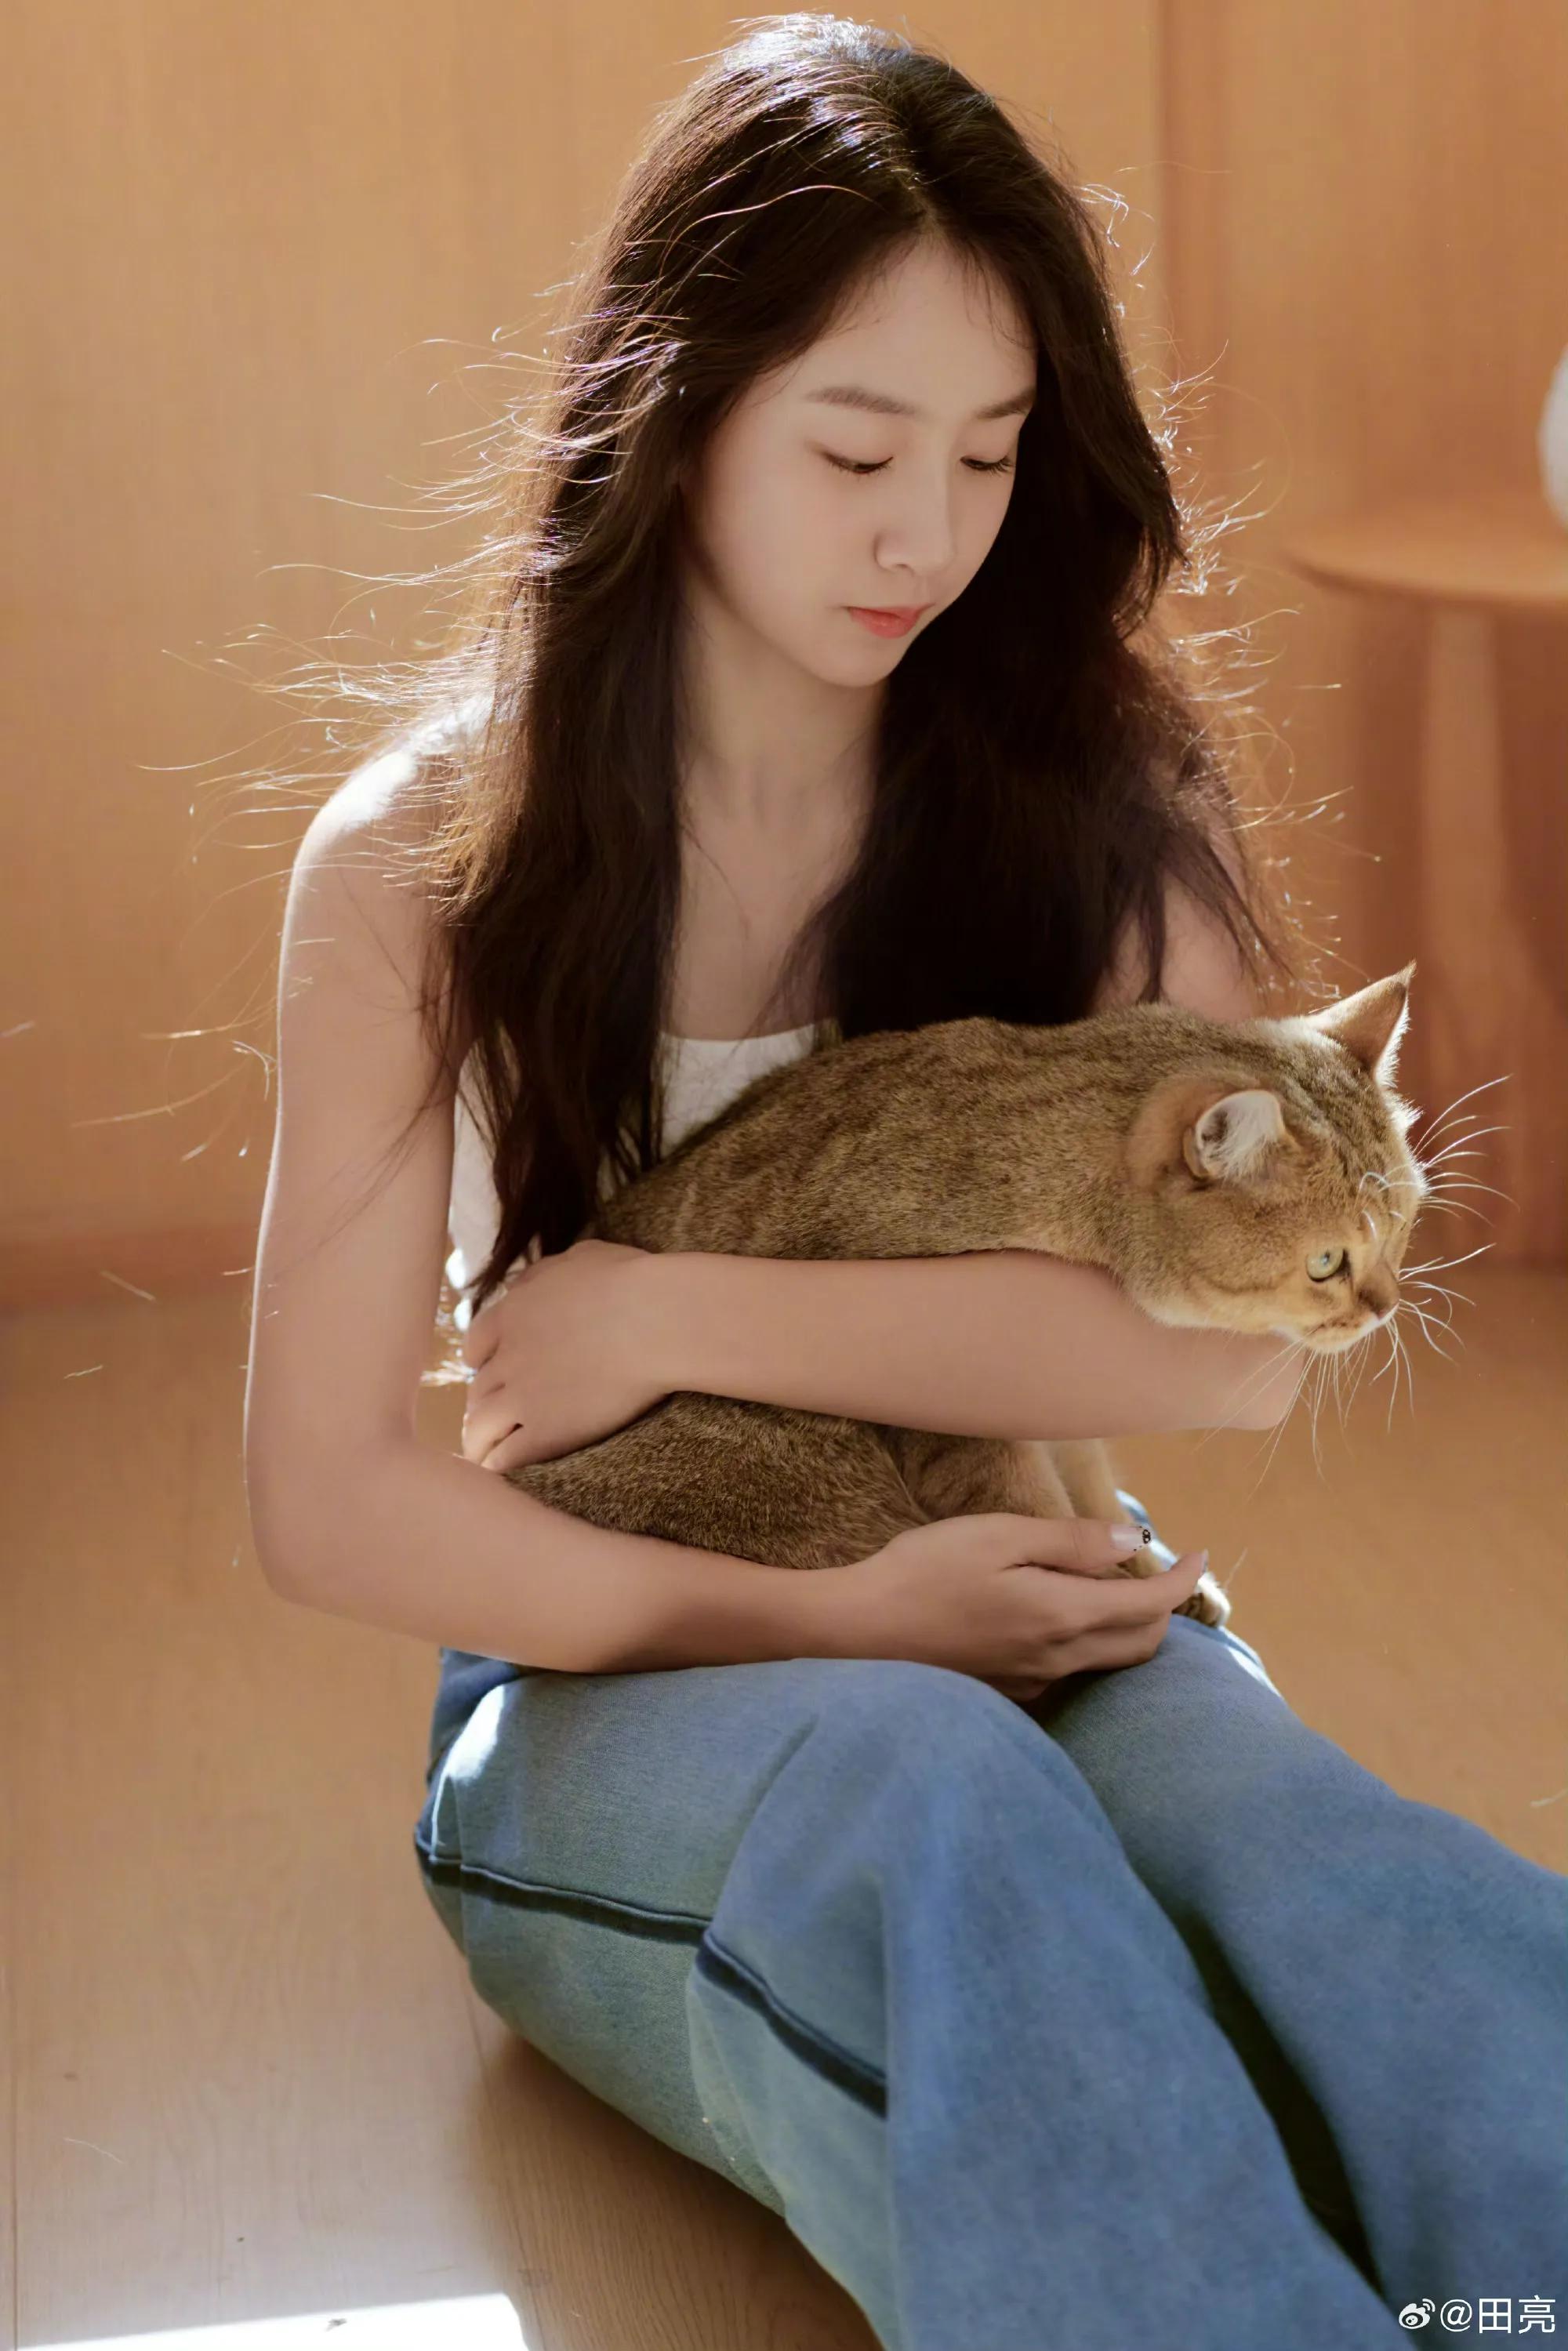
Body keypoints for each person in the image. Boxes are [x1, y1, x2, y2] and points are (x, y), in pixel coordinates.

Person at [245, 19, 1567, 2348]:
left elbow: (1231, 1363)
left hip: (1021, 1567)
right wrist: (848, 1620)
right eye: (855, 448)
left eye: (988, 450)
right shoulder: (418, 862)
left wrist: (664, 1312)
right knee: (941, 1809)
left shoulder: (1093, 790)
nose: (927, 535)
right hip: (612, 1648)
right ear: (677, 418)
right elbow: (330, 1500)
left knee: (1320, 1868)